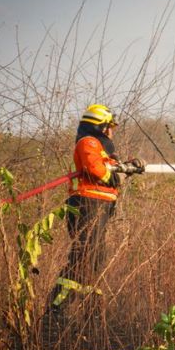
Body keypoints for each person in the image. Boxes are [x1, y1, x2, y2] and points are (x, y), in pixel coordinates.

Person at [46, 104, 145, 313]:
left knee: (96, 255)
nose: (112, 131)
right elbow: (95, 168)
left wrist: (130, 166)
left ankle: (89, 305)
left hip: (99, 205)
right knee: (84, 254)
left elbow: (109, 169)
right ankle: (57, 306)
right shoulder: (88, 142)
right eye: (110, 126)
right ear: (100, 126)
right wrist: (116, 175)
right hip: (87, 204)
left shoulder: (102, 149)